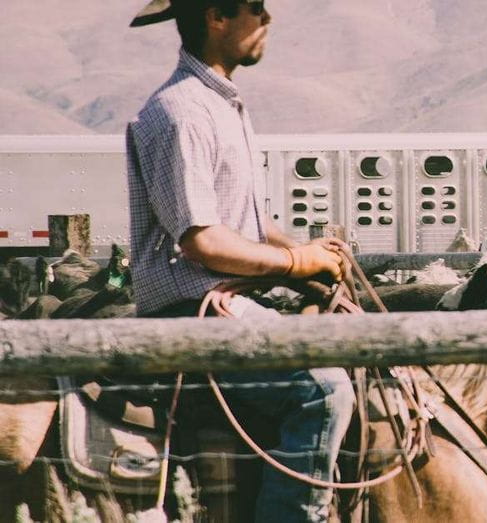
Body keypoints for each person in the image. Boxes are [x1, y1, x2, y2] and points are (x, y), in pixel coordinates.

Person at [126, 1, 355, 521]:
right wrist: (297, 263)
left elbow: (248, 226)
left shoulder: (222, 105)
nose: (268, 20)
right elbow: (202, 241)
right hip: (194, 312)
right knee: (323, 391)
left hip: (226, 304)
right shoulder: (180, 112)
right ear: (217, 17)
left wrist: (312, 259)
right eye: (256, 8)